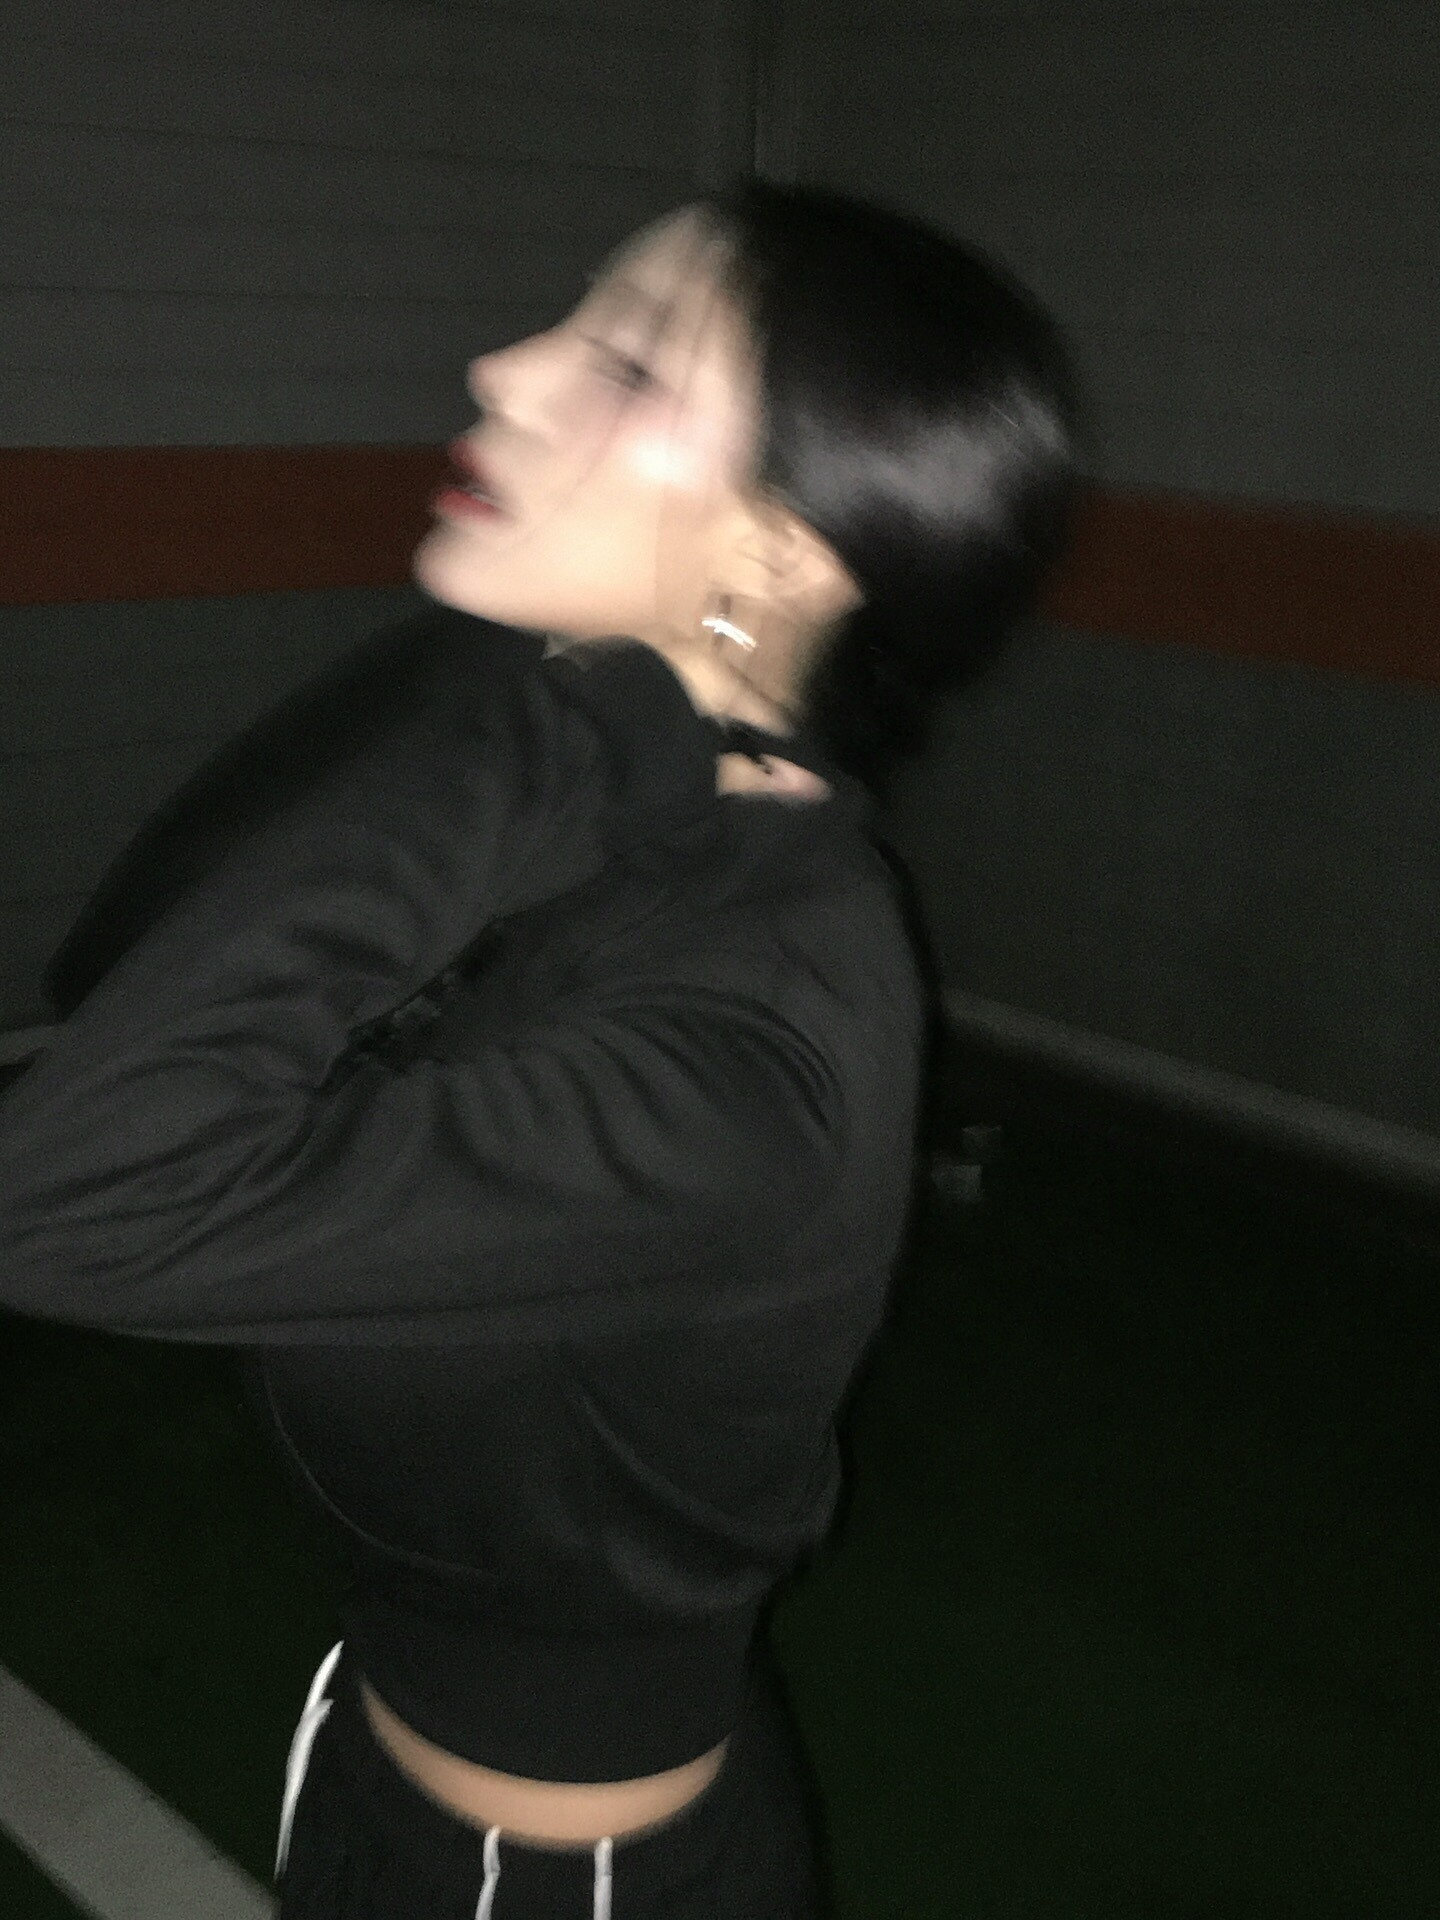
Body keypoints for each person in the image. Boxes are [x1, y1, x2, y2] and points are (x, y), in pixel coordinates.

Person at [0, 182, 1076, 1918]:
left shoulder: (750, 1053)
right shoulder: (647, 809)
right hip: (380, 1756)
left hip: (551, 1877)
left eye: (630, 365)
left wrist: (547, 707)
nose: (507, 368)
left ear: (782, 553)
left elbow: (62, 1194)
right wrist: (559, 684)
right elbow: (136, 952)